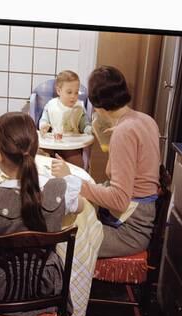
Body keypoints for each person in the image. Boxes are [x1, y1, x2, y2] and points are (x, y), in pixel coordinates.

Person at [0, 112, 83, 316]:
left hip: (0, 293)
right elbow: (79, 205)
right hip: (48, 286)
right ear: (35, 149)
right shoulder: (60, 190)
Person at [51, 66, 160, 258]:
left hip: (129, 230)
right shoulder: (145, 120)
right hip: (144, 216)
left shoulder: (124, 132)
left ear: (97, 106)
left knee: (60, 239)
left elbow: (119, 199)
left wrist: (73, 179)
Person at [39, 70, 91, 168]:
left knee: (78, 163)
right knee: (41, 157)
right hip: (53, 142)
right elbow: (44, 119)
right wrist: (43, 126)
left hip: (71, 144)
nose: (73, 96)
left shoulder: (79, 107)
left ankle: (72, 180)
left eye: (76, 93)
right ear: (59, 91)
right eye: (69, 92)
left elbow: (84, 124)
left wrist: (89, 130)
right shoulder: (51, 105)